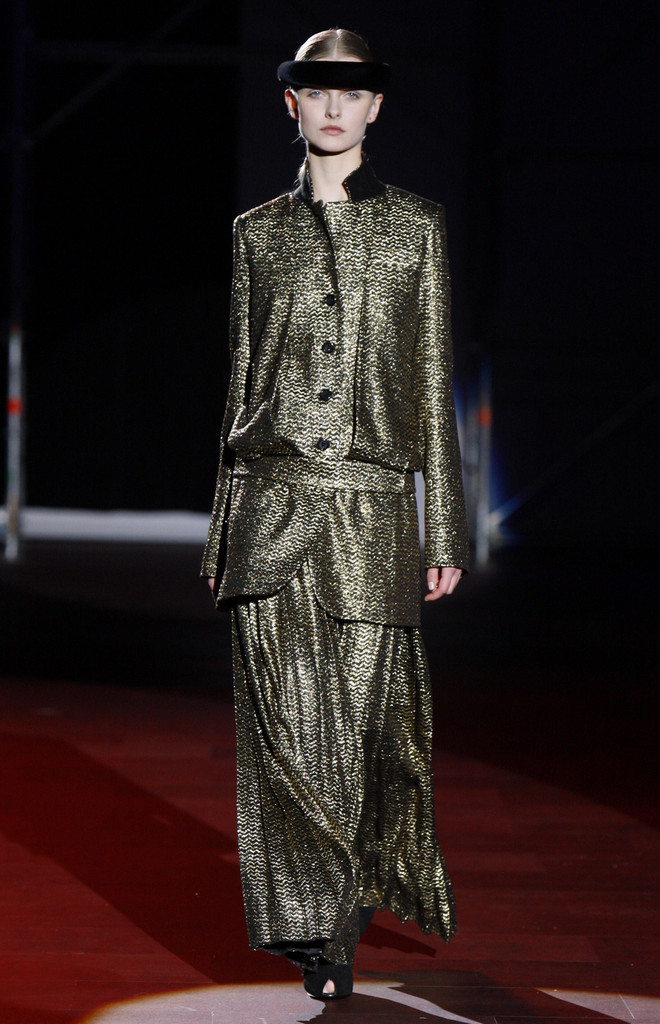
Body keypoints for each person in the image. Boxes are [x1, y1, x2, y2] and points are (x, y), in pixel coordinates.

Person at [201, 27, 469, 1000]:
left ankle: (338, 905)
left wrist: (446, 527)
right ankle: (315, 929)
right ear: (291, 102)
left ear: (375, 107)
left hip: (369, 511)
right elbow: (240, 388)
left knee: (357, 726)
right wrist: (220, 531)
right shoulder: (255, 233)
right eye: (316, 90)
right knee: (280, 728)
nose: (332, 107)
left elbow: (432, 381)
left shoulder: (416, 228)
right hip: (269, 508)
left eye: (350, 93)